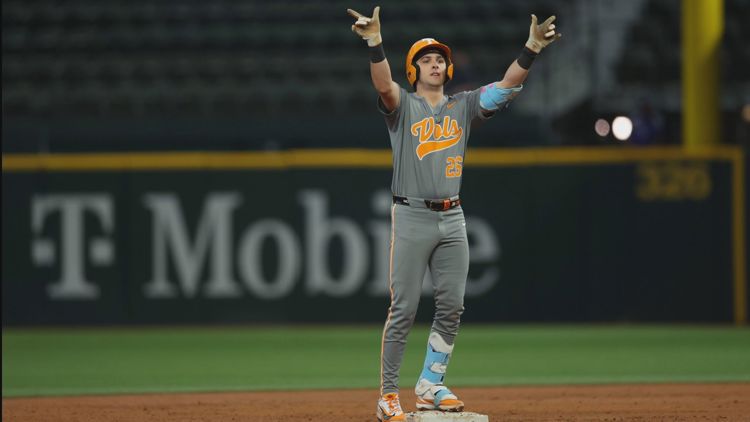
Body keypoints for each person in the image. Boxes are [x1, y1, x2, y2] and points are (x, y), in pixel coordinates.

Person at [347, 6, 560, 421]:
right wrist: (375, 42)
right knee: (404, 309)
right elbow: (384, 85)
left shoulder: (463, 105)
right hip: (411, 215)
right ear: (414, 70)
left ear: (448, 69)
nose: (434, 64)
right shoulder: (403, 106)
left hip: (453, 216)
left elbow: (506, 86)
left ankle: (431, 383)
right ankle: (388, 394)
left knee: (452, 306)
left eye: (440, 59)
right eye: (426, 59)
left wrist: (532, 48)